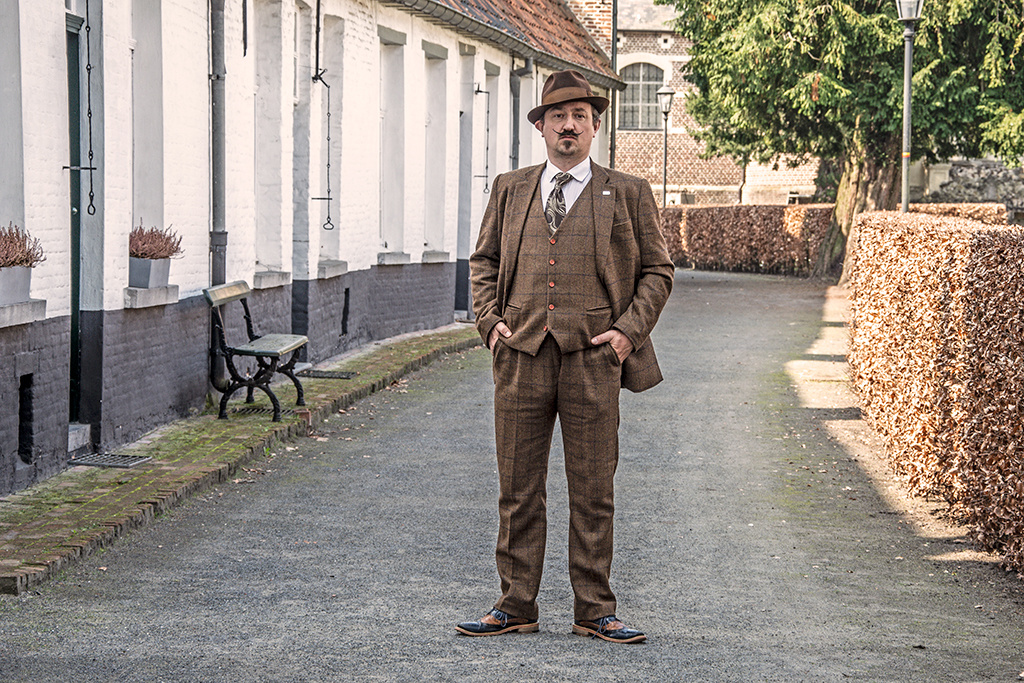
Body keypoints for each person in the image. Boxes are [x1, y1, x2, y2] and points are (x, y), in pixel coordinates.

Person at [457, 70, 674, 644]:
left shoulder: (627, 192)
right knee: (518, 487)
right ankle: (516, 603)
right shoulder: (511, 188)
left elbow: (658, 270)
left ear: (595, 126)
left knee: (593, 487)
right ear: (542, 127)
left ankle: (594, 609)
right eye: (558, 116)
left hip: (592, 359)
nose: (569, 125)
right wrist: (490, 323)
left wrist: (627, 333)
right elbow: (482, 263)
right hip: (521, 354)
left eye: (579, 116)